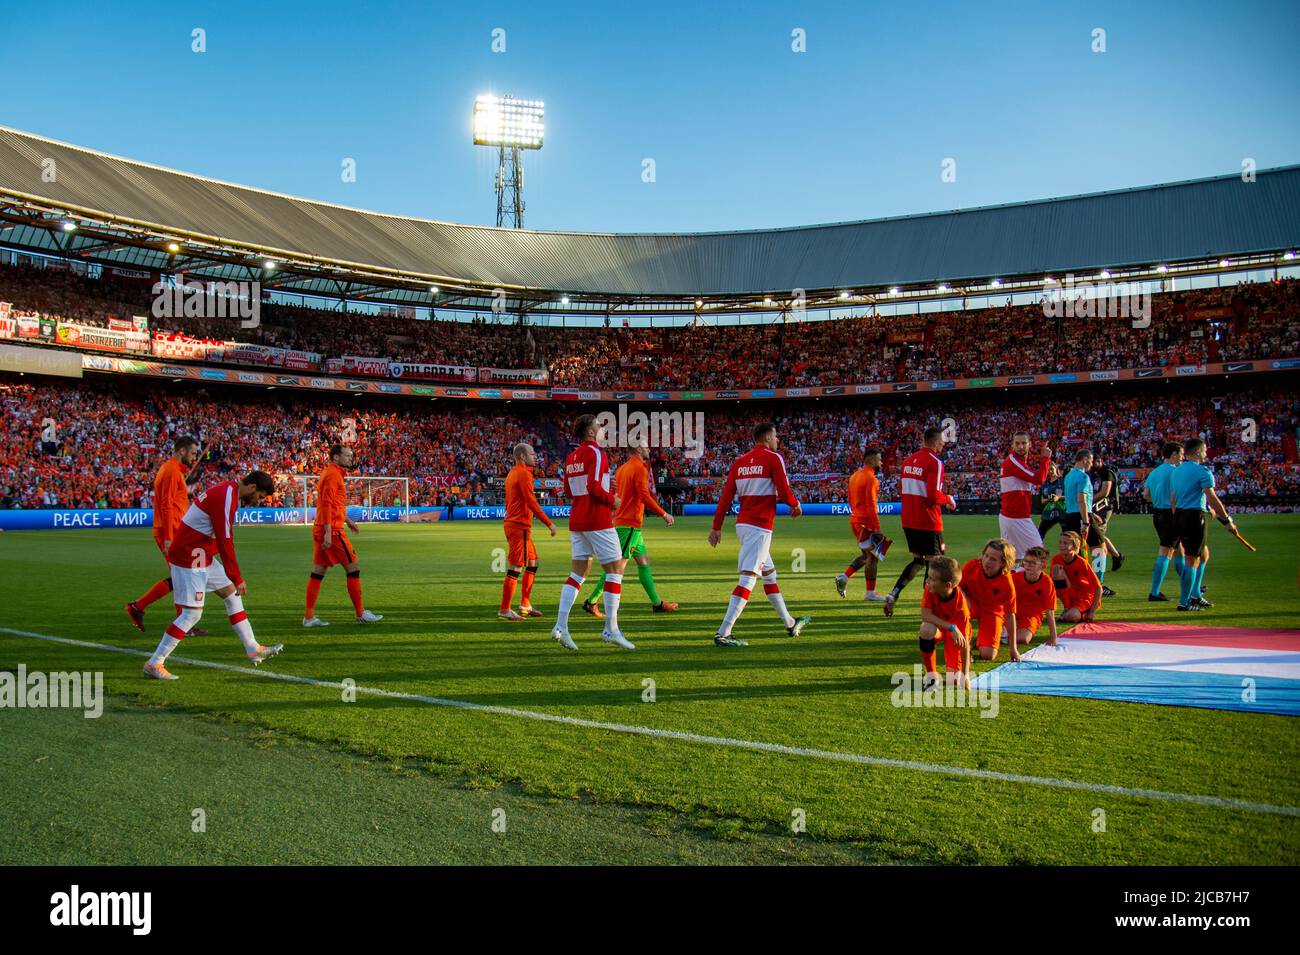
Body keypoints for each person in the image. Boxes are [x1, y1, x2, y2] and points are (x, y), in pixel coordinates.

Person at [142, 472, 282, 680]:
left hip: (200, 553)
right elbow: (225, 539)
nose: (259, 501)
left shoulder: (229, 492)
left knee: (231, 594)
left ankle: (253, 648)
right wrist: (236, 575)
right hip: (190, 555)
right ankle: (155, 663)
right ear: (252, 488)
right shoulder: (227, 496)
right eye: (260, 496)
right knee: (191, 615)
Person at [707, 422, 811, 647]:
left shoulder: (739, 462)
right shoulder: (774, 458)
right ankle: (723, 632)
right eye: (775, 438)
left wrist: (717, 526)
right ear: (767, 438)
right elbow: (783, 489)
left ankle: (790, 622)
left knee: (770, 575)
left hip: (744, 525)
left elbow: (726, 498)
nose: (777, 441)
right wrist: (795, 505)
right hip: (760, 527)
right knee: (748, 579)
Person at [550, 414, 635, 650]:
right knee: (615, 570)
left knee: (578, 572)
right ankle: (611, 629)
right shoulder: (596, 452)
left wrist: (606, 485)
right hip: (597, 519)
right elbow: (594, 487)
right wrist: (613, 500)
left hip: (577, 520)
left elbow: (568, 490)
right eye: (599, 425)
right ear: (590, 432)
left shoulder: (571, 456)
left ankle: (560, 626)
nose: (602, 429)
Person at [581, 441, 678, 617]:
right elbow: (643, 496)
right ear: (639, 449)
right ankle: (591, 601)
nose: (649, 449)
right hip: (629, 525)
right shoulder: (639, 468)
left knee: (643, 562)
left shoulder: (622, 469)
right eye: (647, 447)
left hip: (627, 524)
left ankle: (657, 604)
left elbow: (615, 495)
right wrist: (664, 514)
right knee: (616, 568)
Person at [125, 436, 207, 635]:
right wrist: (169, 538)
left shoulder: (173, 470)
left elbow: (172, 503)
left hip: (174, 531)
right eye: (193, 453)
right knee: (183, 577)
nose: (195, 457)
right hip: (170, 532)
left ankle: (140, 607)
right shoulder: (171, 471)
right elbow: (167, 506)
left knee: (180, 577)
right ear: (181, 451)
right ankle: (144, 609)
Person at [303, 445, 383, 627]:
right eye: (347, 455)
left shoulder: (333, 473)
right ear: (336, 457)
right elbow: (326, 505)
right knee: (353, 569)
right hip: (332, 531)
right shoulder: (332, 475)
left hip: (324, 528)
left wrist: (348, 520)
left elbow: (334, 505)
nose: (350, 458)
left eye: (351, 455)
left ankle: (308, 617)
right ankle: (360, 613)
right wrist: (329, 534)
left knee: (317, 573)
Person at [883, 427, 956, 617]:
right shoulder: (935, 463)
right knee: (937, 563)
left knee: (918, 560)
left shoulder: (908, 462)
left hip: (909, 519)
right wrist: (948, 499)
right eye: (941, 443)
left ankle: (893, 594)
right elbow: (932, 496)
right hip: (928, 521)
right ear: (935, 442)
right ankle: (929, 607)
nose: (943, 446)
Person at [1170, 438, 1237, 612]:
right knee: (1192, 559)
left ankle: (1194, 596)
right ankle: (1185, 602)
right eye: (1205, 450)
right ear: (1197, 452)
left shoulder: (1176, 471)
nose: (1206, 453)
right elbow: (1212, 498)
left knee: (1200, 555)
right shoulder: (1203, 471)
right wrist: (1227, 520)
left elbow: (1174, 497)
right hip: (1194, 516)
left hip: (1179, 515)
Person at [499, 442, 557, 621]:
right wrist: (549, 524)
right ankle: (505, 609)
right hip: (519, 526)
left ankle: (525, 604)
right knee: (516, 566)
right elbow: (531, 501)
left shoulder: (513, 473)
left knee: (533, 563)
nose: (535, 456)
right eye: (532, 454)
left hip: (516, 525)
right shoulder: (523, 474)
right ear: (523, 456)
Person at [834, 447, 890, 601]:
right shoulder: (871, 479)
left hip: (856, 520)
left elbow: (850, 500)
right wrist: (877, 527)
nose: (881, 462)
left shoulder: (854, 476)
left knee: (866, 555)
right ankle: (870, 593)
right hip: (866, 522)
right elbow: (872, 504)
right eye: (879, 459)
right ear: (871, 460)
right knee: (873, 558)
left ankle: (844, 578)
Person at [960, 539, 1019, 662]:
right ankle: (966, 644)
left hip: (992, 611)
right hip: (972, 604)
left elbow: (1010, 614)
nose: (987, 561)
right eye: (986, 556)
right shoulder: (972, 566)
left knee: (988, 655)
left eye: (993, 559)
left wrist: (1013, 648)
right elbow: (957, 587)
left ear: (1003, 563)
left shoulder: (1007, 582)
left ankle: (981, 640)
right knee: (960, 604)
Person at [918, 556, 971, 690]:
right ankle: (931, 676)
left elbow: (964, 644)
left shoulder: (961, 608)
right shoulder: (930, 588)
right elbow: (925, 615)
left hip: (956, 635)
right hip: (943, 629)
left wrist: (966, 675)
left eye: (932, 579)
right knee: (926, 628)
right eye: (928, 576)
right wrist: (951, 627)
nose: (927, 581)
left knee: (953, 679)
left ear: (947, 585)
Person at [998, 432, 1052, 563]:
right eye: (1017, 443)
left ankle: (1013, 582)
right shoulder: (1013, 462)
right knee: (1038, 554)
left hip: (1011, 516)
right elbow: (1039, 479)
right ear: (1012, 445)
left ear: (1029, 445)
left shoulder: (1018, 462)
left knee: (1014, 559)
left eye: (1023, 443)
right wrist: (1045, 458)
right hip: (1016, 517)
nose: (1020, 446)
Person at [1142, 441, 1185, 602]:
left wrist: (1159, 499)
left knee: (1178, 549)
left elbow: (1146, 495)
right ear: (1174, 454)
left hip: (1158, 513)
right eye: (1180, 454)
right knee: (1166, 551)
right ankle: (1154, 592)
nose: (1182, 458)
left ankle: (1188, 583)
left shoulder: (1154, 472)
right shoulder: (1176, 472)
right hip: (1171, 513)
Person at [1088, 451, 1124, 595]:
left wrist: (1088, 501)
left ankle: (1099, 583)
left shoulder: (1106, 472)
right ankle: (1116, 555)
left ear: (1099, 461)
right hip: (1098, 507)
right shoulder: (1097, 473)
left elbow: (1105, 492)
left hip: (1104, 506)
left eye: (1093, 462)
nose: (1091, 466)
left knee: (1098, 539)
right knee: (1099, 537)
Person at [1010, 545, 1059, 650]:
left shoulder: (1047, 582)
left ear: (1043, 565)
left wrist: (1053, 637)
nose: (1028, 565)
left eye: (1033, 563)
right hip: (1012, 613)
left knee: (1023, 639)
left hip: (1032, 615)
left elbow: (1049, 611)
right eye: (1026, 561)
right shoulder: (1015, 578)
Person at [1050, 530, 1101, 623]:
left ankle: (1084, 612)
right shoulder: (1056, 559)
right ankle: (1067, 608)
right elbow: (1051, 583)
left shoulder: (1082, 563)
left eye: (1065, 543)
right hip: (1071, 593)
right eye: (1060, 542)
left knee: (1072, 617)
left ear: (1074, 546)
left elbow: (1098, 587)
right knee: (1057, 572)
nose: (1061, 545)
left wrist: (1092, 612)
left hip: (1084, 596)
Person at [1037, 466, 1066, 542]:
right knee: (1039, 534)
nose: (1050, 471)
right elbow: (1042, 501)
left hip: (1062, 510)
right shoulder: (1045, 484)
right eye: (1048, 470)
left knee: (1069, 534)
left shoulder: (1063, 481)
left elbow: (1069, 496)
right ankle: (1037, 551)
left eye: (1051, 469)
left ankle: (1076, 553)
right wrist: (1049, 499)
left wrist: (1058, 497)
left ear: (1056, 469)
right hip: (1049, 511)